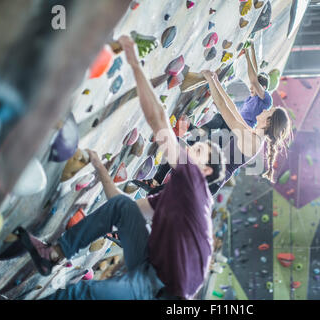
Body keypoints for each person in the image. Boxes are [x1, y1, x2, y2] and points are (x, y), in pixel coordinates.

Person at [17, 35, 226, 300]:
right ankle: (52, 255)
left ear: (206, 170)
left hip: (162, 293)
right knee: (123, 208)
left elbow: (159, 120)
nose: (188, 148)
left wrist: (135, 64)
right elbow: (122, 207)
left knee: (84, 293)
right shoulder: (179, 195)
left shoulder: (195, 185)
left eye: (197, 151)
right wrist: (100, 169)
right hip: (152, 266)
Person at [132, 41, 274, 194]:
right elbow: (231, 108)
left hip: (215, 171)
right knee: (186, 145)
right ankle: (156, 184)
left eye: (268, 113)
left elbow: (231, 101)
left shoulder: (265, 101)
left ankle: (158, 188)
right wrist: (216, 82)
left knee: (196, 140)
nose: (265, 111)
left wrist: (247, 54)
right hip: (217, 158)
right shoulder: (252, 128)